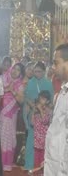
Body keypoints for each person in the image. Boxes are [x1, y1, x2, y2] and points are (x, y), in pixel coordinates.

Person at [23, 61, 53, 172]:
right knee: (31, 139)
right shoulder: (30, 82)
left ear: (44, 72)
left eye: (39, 71)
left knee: (43, 142)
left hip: (44, 114)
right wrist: (33, 106)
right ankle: (29, 165)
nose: (37, 73)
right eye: (35, 71)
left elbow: (51, 101)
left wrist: (44, 109)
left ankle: (42, 167)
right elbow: (26, 97)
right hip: (33, 113)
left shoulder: (48, 83)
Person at [44, 44, 68, 175]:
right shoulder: (63, 91)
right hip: (55, 163)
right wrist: (49, 158)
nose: (53, 67)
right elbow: (58, 130)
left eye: (56, 63)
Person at [0, 63, 25, 171]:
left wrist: (12, 90)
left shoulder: (20, 85)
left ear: (20, 73)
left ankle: (6, 163)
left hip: (10, 115)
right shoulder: (3, 78)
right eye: (14, 68)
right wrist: (6, 89)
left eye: (18, 70)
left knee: (8, 138)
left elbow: (21, 100)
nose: (15, 71)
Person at [31, 90, 52, 169]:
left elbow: (45, 121)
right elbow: (32, 123)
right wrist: (34, 111)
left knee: (43, 160)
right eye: (40, 98)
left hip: (44, 140)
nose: (40, 100)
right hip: (37, 139)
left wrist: (40, 110)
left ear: (47, 101)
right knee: (36, 160)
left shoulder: (48, 110)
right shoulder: (37, 110)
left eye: (43, 99)